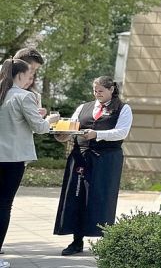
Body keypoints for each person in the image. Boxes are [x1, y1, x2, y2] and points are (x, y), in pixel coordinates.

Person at [53, 76, 133, 255]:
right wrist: (61, 130)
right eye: (95, 91)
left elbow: (122, 132)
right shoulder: (84, 107)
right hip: (80, 156)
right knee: (77, 196)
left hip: (107, 160)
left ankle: (106, 242)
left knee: (103, 198)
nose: (97, 94)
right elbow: (73, 126)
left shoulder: (123, 108)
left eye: (101, 91)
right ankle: (76, 241)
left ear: (111, 89)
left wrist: (97, 134)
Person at [0, 59, 60, 266]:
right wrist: (50, 120)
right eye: (29, 75)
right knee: (3, 205)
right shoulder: (23, 97)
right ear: (19, 75)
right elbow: (40, 128)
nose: (30, 79)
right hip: (12, 158)